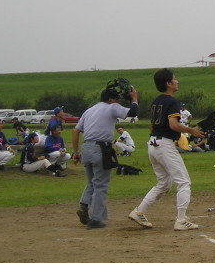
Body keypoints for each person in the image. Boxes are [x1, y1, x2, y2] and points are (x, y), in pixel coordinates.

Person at [128, 68, 206, 231]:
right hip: (163, 145)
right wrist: (192, 130)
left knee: (164, 183)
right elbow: (173, 125)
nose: (177, 81)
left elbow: (153, 126)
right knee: (184, 182)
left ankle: (139, 211)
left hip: (153, 143)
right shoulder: (172, 102)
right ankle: (181, 220)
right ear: (168, 84)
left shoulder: (156, 101)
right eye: (174, 79)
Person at [72, 86, 139, 229]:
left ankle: (83, 206)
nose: (117, 102)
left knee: (91, 182)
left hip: (86, 148)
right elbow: (133, 112)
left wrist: (76, 153)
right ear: (111, 99)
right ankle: (95, 219)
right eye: (116, 99)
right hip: (100, 148)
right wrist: (134, 98)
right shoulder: (112, 107)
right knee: (101, 185)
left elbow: (76, 131)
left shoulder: (89, 110)